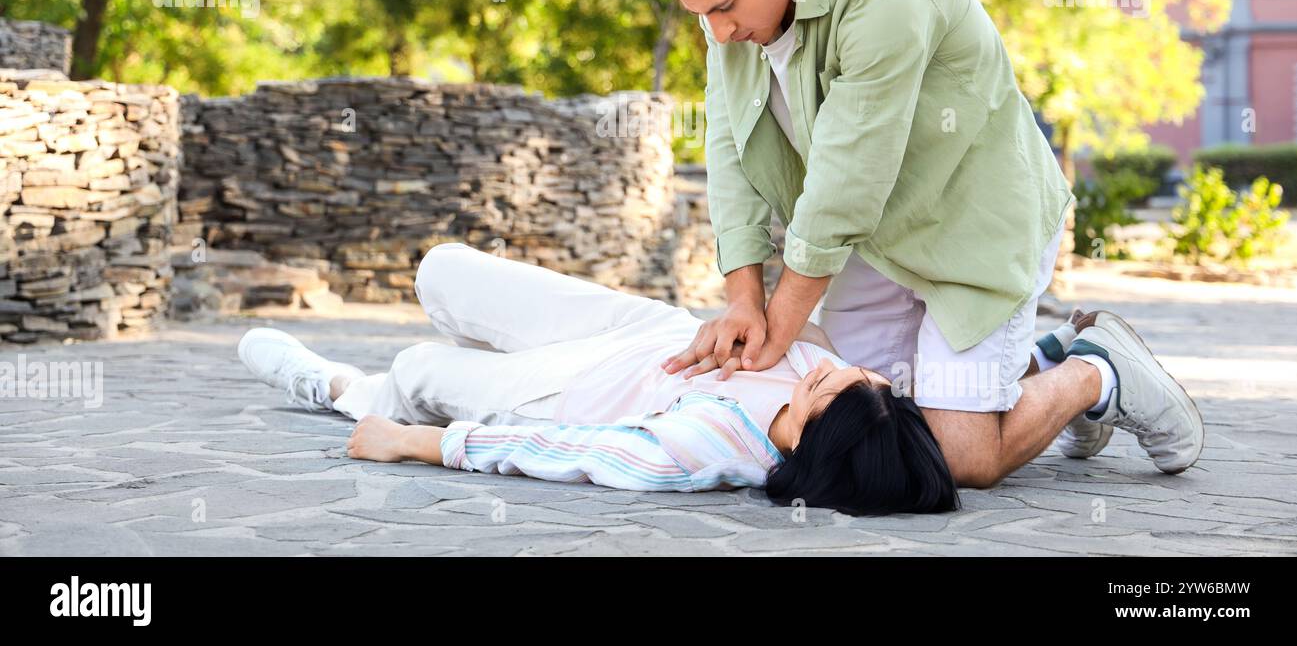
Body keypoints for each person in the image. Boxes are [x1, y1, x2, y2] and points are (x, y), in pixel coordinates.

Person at [652, 0, 1204, 483]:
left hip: (973, 229)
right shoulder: (727, 18)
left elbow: (845, 181)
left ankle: (1097, 371)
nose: (720, 31)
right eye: (703, 15)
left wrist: (771, 331)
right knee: (867, 425)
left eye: (725, 8)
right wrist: (742, 300)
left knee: (956, 458)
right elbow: (730, 147)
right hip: (877, 244)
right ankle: (1041, 358)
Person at [238, 243, 1196, 517]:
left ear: (810, 435)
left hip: (558, 392)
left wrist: (419, 444)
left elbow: (568, 455)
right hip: (641, 332)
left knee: (410, 373)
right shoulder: (847, 399)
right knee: (440, 270)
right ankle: (1083, 373)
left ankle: (324, 384)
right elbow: (906, 399)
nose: (843, 372)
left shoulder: (706, 451)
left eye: (829, 388)